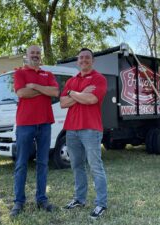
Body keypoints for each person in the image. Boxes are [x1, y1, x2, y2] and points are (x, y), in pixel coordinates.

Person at [10, 45, 59, 217]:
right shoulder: (20, 73)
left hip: (45, 123)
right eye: (33, 53)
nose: (36, 55)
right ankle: (18, 202)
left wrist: (36, 86)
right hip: (25, 124)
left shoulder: (48, 74)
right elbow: (22, 93)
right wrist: (44, 90)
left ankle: (41, 199)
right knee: (22, 163)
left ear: (41, 56)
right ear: (27, 55)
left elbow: (55, 91)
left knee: (43, 163)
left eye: (38, 53)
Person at [60, 48, 108, 219]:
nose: (84, 60)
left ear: (92, 61)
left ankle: (101, 204)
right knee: (76, 166)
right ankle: (80, 199)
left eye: (87, 57)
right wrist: (78, 93)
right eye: (81, 58)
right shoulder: (71, 81)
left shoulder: (99, 79)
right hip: (71, 129)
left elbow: (92, 99)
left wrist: (73, 95)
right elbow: (63, 103)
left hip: (91, 128)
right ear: (77, 61)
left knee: (95, 166)